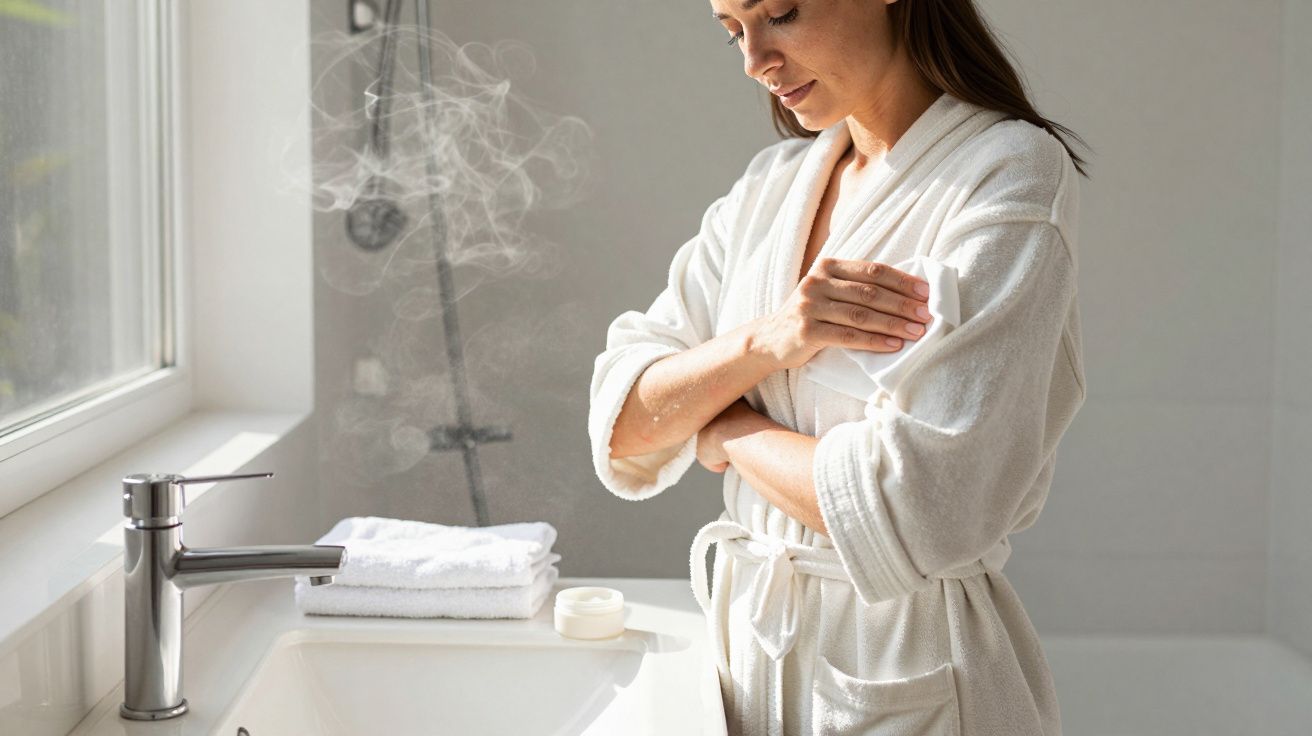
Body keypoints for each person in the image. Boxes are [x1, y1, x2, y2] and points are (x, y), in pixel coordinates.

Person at [588, 1, 1092, 734]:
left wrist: (723, 428)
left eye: (781, 13)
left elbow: (919, 507)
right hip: (745, 660)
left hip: (904, 668)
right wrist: (766, 342)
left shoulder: (1007, 174)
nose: (754, 60)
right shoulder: (771, 188)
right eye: (732, 29)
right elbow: (625, 418)